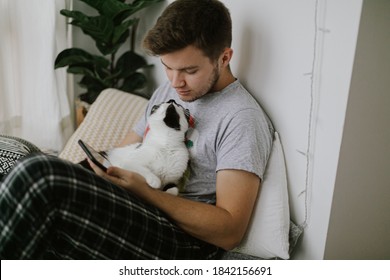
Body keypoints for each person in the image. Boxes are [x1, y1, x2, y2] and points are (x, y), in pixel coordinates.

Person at [0, 0, 273, 259]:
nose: (176, 82)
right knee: (13, 163)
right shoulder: (170, 90)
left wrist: (148, 193)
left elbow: (229, 231)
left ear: (224, 58)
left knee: (39, 175)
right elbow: (127, 151)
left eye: (190, 70)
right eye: (168, 67)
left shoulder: (241, 118)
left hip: (181, 239)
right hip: (137, 203)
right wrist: (101, 170)